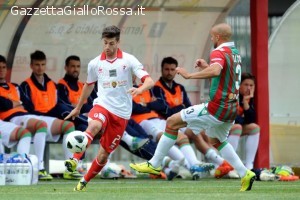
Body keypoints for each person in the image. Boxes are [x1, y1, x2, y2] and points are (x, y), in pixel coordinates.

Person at [130, 23, 256, 191]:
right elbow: (223, 74)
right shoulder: (234, 53)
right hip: (231, 108)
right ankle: (244, 172)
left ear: (218, 37)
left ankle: (154, 163)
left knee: (172, 122)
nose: (211, 39)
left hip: (217, 106)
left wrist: (190, 75)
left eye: (212, 36)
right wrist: (206, 67)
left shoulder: (218, 51)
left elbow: (217, 71)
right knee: (216, 140)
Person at [64, 25, 154, 191]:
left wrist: (139, 89)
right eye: (105, 43)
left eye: (111, 43)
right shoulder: (95, 63)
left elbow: (149, 81)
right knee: (94, 125)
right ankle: (74, 160)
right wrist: (78, 108)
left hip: (121, 114)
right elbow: (88, 86)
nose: (107, 47)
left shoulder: (128, 60)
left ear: (118, 42)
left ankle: (83, 181)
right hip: (102, 105)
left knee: (103, 154)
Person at [19, 51, 83, 180]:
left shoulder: (52, 85)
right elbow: (28, 108)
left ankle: (69, 168)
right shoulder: (25, 85)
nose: (40, 67)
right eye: (37, 64)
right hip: (35, 118)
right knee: (57, 114)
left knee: (69, 125)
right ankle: (40, 168)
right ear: (31, 66)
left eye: (43, 64)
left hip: (52, 118)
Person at [131, 82, 214, 179]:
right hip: (142, 122)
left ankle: (195, 163)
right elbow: (134, 107)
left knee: (183, 137)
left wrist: (144, 105)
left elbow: (160, 104)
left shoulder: (147, 88)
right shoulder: (126, 89)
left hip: (158, 119)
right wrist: (149, 105)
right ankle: (191, 166)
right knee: (164, 138)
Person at [0, 55, 53, 180]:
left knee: (68, 126)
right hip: (9, 118)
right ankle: (36, 167)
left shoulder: (15, 86)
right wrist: (16, 102)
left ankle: (22, 169)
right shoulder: (24, 85)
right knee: (36, 127)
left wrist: (11, 103)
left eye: (3, 67)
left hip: (24, 115)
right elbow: (3, 104)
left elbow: (28, 104)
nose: (1, 70)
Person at [227, 73, 260, 170]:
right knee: (237, 127)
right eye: (246, 85)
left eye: (251, 85)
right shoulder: (232, 95)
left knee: (254, 127)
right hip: (219, 128)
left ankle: (249, 166)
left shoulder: (248, 98)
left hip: (233, 128)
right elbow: (232, 119)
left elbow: (251, 120)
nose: (249, 88)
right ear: (239, 86)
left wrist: (246, 102)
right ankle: (229, 165)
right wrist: (242, 119)